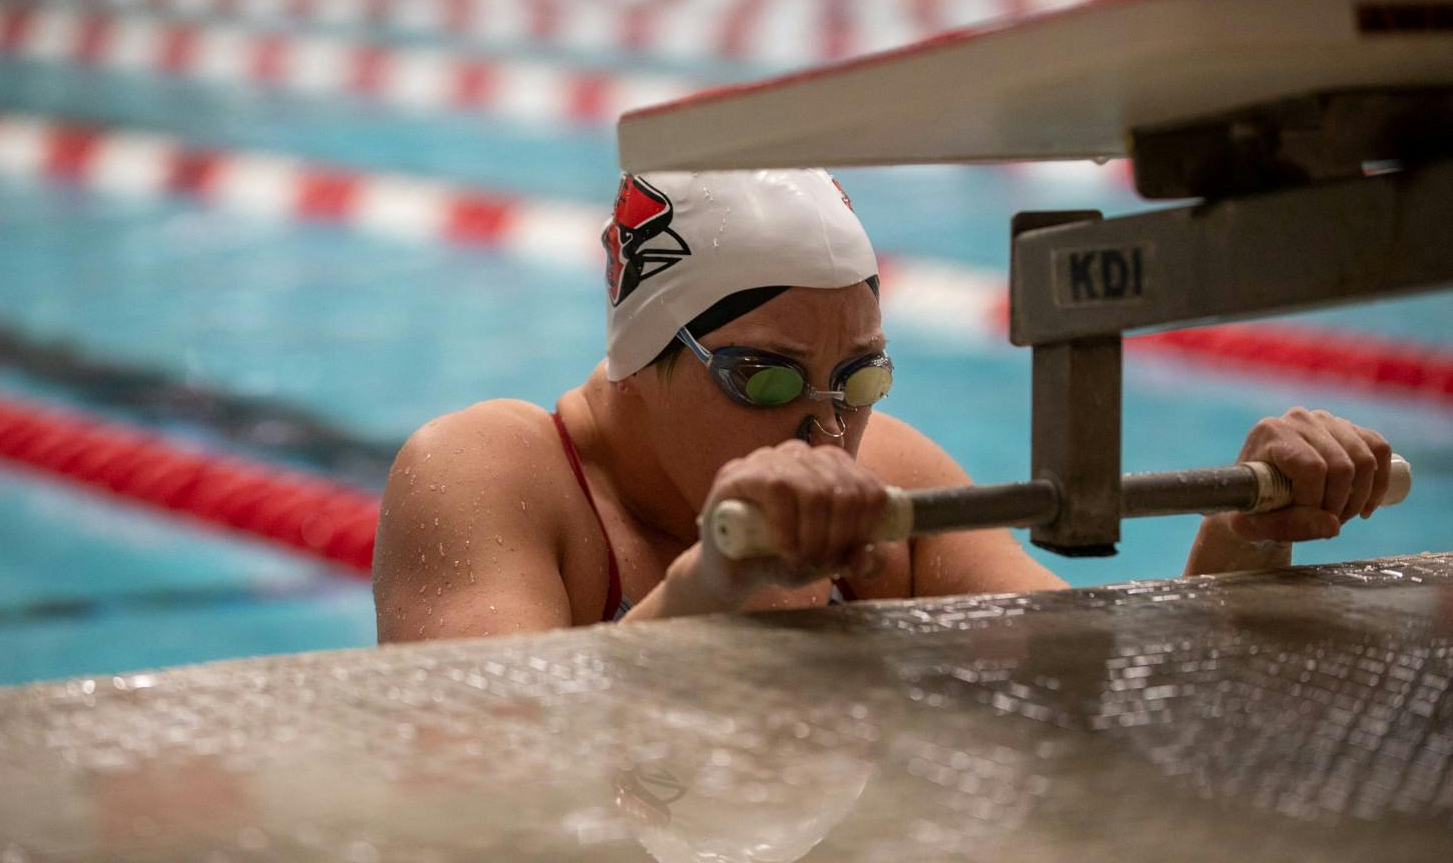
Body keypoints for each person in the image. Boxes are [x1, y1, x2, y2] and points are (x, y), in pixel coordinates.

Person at [373, 170, 1397, 641]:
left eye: (859, 379)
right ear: (644, 353)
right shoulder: (492, 475)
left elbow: (1093, 689)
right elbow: (484, 772)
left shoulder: (891, 474)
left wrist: (1246, 541)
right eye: (765, 377)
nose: (825, 432)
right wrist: (717, 585)